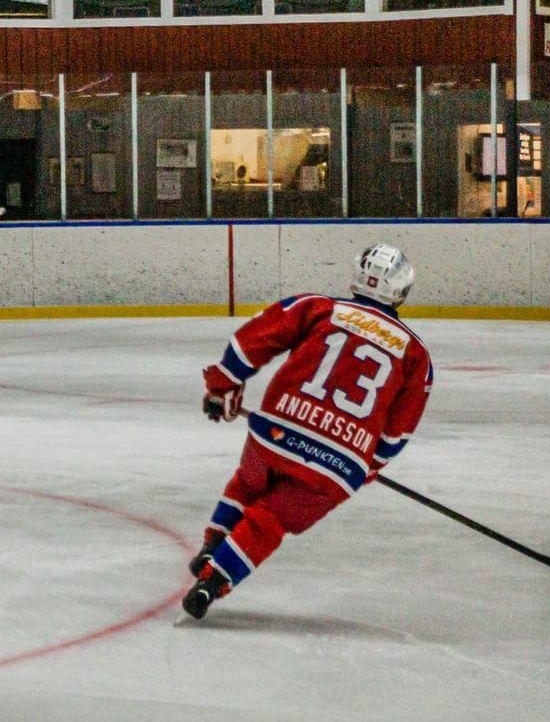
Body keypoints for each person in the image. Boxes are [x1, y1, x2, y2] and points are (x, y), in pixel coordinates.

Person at [183, 244, 433, 619]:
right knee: (273, 518)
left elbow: (252, 340)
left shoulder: (319, 308)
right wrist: (367, 467)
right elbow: (396, 433)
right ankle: (212, 581)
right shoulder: (416, 355)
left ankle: (215, 542)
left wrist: (223, 385)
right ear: (401, 289)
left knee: (248, 484)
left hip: (277, 431)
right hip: (338, 463)